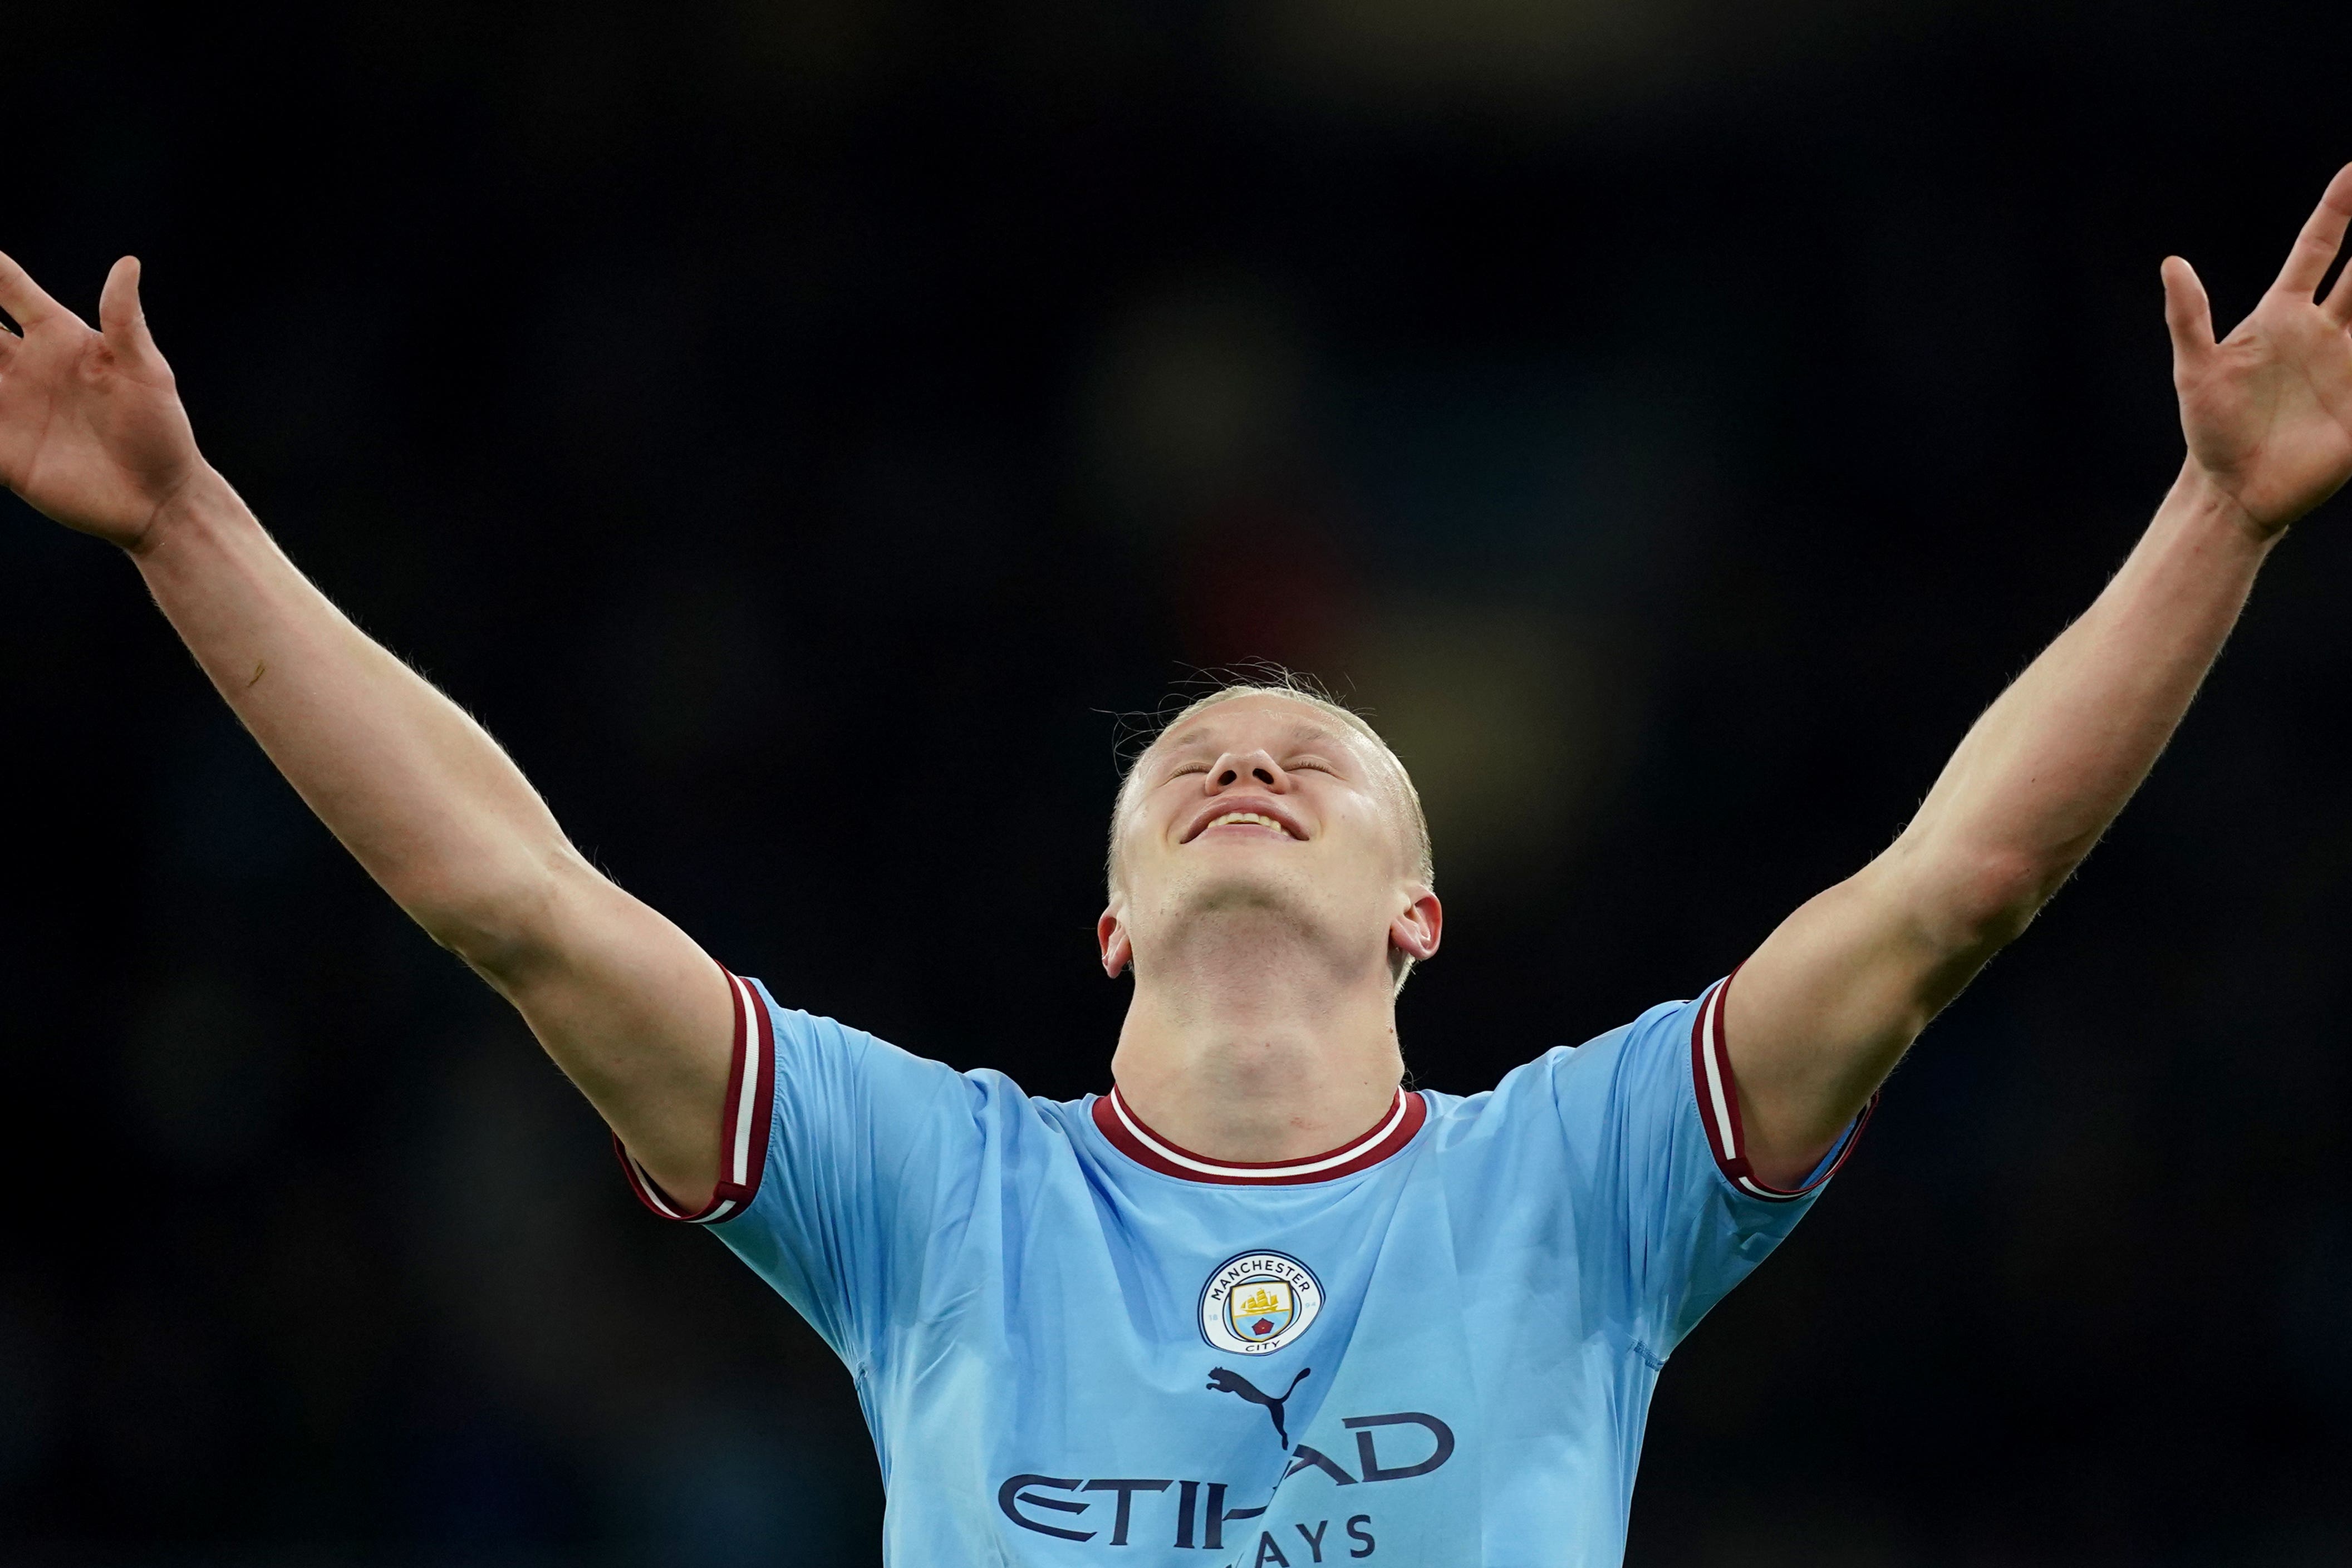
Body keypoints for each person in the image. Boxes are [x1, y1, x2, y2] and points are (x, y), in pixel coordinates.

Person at [3, 165, 2349, 1565]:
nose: (1248, 760)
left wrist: (2219, 511)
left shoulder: (1589, 1178)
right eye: (1196, 752)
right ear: (1105, 919)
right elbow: (506, 897)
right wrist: (183, 519)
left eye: (1314, 754)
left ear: (1422, 913)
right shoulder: (934, 1199)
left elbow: (1957, 889)